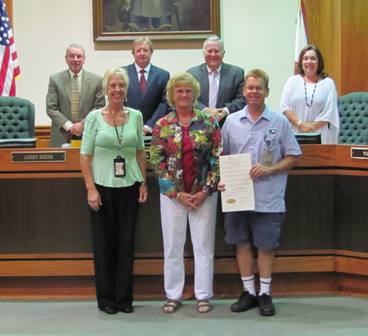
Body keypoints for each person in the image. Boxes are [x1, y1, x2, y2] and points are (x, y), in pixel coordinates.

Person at [220, 69, 301, 316]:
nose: (254, 92)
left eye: (259, 88)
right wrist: (222, 180)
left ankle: (265, 293)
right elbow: (221, 156)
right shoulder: (232, 121)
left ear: (267, 91)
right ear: (244, 91)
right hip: (237, 196)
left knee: (266, 246)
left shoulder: (280, 122)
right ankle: (249, 293)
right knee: (241, 243)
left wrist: (270, 169)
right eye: (250, 88)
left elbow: (293, 156)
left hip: (269, 196)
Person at [150, 72, 222, 314]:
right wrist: (175, 193)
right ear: (172, 95)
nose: (183, 95)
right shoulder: (162, 125)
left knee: (203, 246)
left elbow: (217, 159)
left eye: (188, 91)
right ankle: (173, 294)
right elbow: (157, 164)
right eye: (179, 91)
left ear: (194, 94)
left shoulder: (209, 122)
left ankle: (203, 295)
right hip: (172, 197)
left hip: (203, 195)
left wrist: (205, 191)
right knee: (172, 245)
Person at [80, 68, 148, 315]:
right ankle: (106, 298)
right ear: (106, 90)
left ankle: (124, 298)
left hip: (129, 187)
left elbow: (140, 151)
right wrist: (90, 189)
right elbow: (85, 157)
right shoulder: (94, 118)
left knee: (126, 243)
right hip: (101, 189)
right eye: (113, 86)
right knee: (104, 244)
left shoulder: (136, 116)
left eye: (121, 85)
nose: (117, 89)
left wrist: (143, 182)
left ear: (126, 89)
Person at [46, 44, 105, 147]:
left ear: (84, 59)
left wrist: (83, 124)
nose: (75, 59)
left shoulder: (97, 80)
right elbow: (51, 108)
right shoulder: (55, 79)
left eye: (79, 56)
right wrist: (70, 126)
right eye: (72, 56)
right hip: (62, 135)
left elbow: (99, 107)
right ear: (66, 59)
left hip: (89, 134)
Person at [280, 44, 339, 144]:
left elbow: (329, 112)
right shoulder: (292, 81)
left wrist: (311, 128)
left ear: (319, 62)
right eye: (305, 58)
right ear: (301, 62)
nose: (309, 62)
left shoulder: (328, 83)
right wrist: (301, 124)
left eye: (313, 59)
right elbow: (285, 108)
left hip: (321, 135)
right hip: (295, 133)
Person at [187, 35, 246, 122]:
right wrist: (204, 110)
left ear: (223, 53)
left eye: (216, 51)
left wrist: (225, 111)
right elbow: (187, 98)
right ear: (204, 53)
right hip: (198, 124)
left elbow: (242, 99)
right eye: (209, 51)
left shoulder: (237, 73)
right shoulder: (192, 74)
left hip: (227, 123)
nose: (213, 54)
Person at [123, 36, 170, 135]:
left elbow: (165, 103)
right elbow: (117, 101)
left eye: (145, 50)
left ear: (151, 52)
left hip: (155, 130)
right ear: (133, 53)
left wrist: (149, 126)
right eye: (138, 50)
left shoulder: (163, 75)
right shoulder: (122, 73)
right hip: (127, 128)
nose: (142, 53)